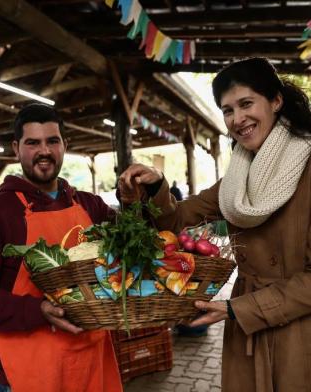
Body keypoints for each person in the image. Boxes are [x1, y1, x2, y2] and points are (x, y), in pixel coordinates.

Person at [118, 57, 311, 392]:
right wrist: (155, 186)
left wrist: (237, 310)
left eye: (246, 103)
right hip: (245, 331)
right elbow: (176, 219)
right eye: (227, 110)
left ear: (276, 101)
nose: (238, 119)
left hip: (297, 331)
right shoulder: (236, 180)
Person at [0, 103, 122, 392]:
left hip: (91, 356)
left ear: (64, 145)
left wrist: (141, 197)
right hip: (28, 368)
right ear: (16, 148)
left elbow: (138, 239)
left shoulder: (89, 204)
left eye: (52, 141)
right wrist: (39, 310)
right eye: (33, 143)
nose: (44, 151)